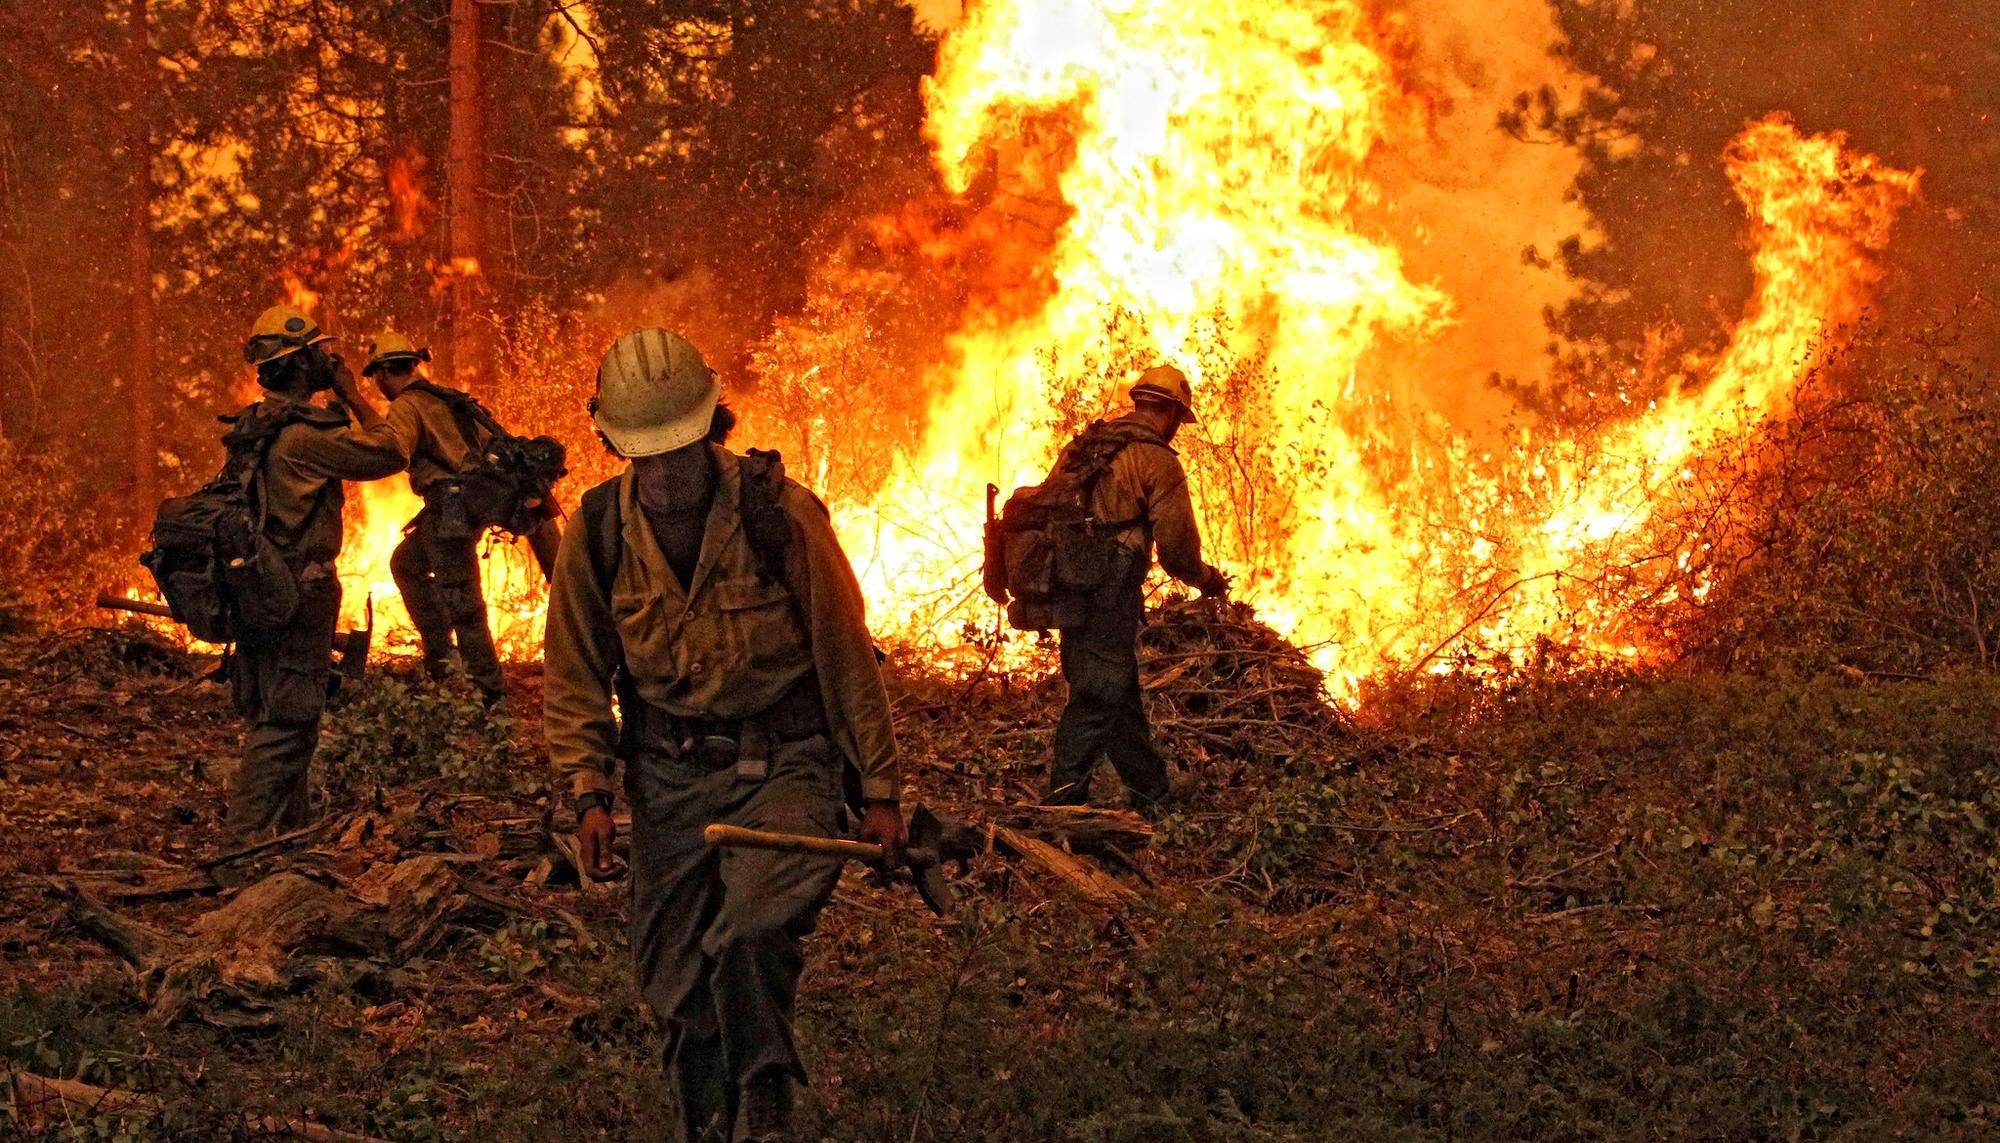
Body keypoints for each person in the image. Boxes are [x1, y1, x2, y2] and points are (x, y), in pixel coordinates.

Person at [543, 328, 903, 1143]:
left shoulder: (779, 514)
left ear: (712, 426)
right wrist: (589, 793)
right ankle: (706, 1123)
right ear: (615, 444)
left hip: (788, 763)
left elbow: (845, 654)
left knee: (753, 925)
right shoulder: (597, 533)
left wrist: (880, 791)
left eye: (681, 448)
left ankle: (764, 1092)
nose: (668, 472)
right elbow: (574, 672)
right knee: (675, 982)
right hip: (668, 777)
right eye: (649, 454)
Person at [227, 305, 405, 838]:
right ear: (301, 362)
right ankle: (238, 849)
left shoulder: (258, 424)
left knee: (287, 716)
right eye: (319, 353)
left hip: (263, 587)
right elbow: (391, 452)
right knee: (288, 722)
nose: (330, 360)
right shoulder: (303, 436)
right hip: (297, 591)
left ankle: (290, 837)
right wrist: (353, 394)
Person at [1045, 363, 1229, 810]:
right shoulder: (1157, 460)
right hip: (1108, 589)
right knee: (1097, 693)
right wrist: (1206, 579)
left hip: (1067, 582)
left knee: (1116, 686)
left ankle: (1151, 787)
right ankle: (1061, 802)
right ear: (1172, 413)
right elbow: (1177, 550)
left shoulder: (1084, 446)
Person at [369, 331, 507, 705]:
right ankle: (441, 657)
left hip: (450, 510)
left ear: (383, 372)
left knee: (464, 601)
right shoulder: (447, 397)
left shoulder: (407, 405)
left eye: (376, 376)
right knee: (406, 563)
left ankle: (490, 694)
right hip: (467, 504)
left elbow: (393, 451)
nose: (377, 384)